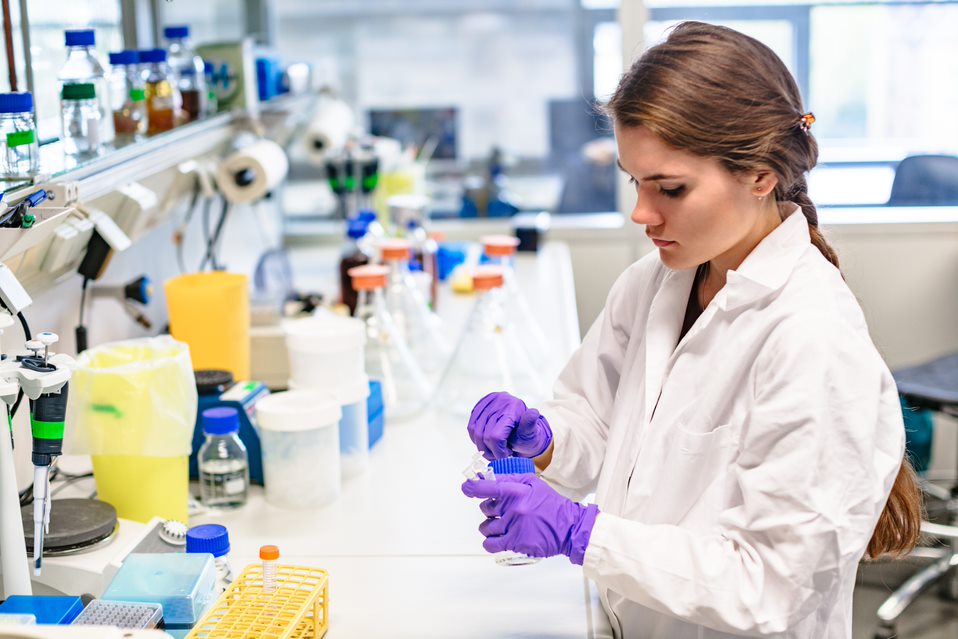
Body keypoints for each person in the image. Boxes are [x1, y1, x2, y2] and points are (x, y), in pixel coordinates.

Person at [461, 21, 921, 639]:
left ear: (760, 175)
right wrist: (545, 440)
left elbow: (769, 588)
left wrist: (582, 533)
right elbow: (599, 424)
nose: (641, 213)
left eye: (670, 188)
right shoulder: (654, 283)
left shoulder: (813, 342)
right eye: (635, 181)